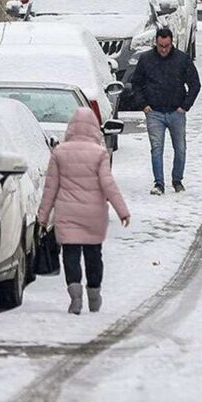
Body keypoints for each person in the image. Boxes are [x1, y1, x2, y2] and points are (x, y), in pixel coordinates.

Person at [37, 107, 131, 315]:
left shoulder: (59, 153)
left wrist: (43, 216)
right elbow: (109, 185)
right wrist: (122, 211)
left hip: (67, 213)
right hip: (93, 214)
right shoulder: (99, 154)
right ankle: (94, 293)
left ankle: (75, 295)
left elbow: (50, 188)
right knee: (93, 254)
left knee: (70, 254)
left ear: (71, 127)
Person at [130, 27, 201, 195]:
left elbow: (195, 84)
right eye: (161, 46)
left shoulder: (182, 60)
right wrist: (143, 105)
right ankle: (159, 183)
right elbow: (136, 83)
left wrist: (185, 106)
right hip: (154, 112)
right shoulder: (146, 59)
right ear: (156, 42)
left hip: (176, 111)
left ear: (172, 43)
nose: (163, 49)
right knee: (156, 148)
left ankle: (177, 180)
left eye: (167, 46)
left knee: (180, 148)